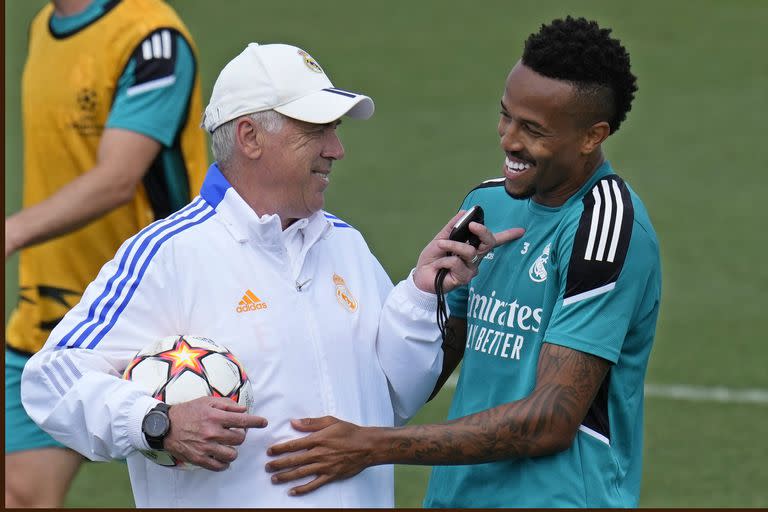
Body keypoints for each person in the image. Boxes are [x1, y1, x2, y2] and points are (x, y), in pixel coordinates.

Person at [20, 42, 522, 508]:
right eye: (316, 130)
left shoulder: (345, 244)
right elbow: (50, 378)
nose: (336, 149)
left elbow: (392, 399)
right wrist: (157, 422)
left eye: (336, 130)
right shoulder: (168, 253)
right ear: (250, 137)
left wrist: (418, 293)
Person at [264, 16, 662, 508]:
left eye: (533, 130)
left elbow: (552, 419)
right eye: (506, 115)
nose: (509, 140)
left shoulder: (606, 229)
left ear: (591, 136)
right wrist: (421, 294)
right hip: (458, 498)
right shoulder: (487, 205)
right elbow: (421, 373)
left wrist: (371, 446)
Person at [4, 0, 207, 507]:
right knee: (21, 494)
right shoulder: (43, 28)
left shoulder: (151, 37)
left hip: (147, 325)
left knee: (203, 487)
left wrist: (10, 233)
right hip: (48, 317)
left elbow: (118, 178)